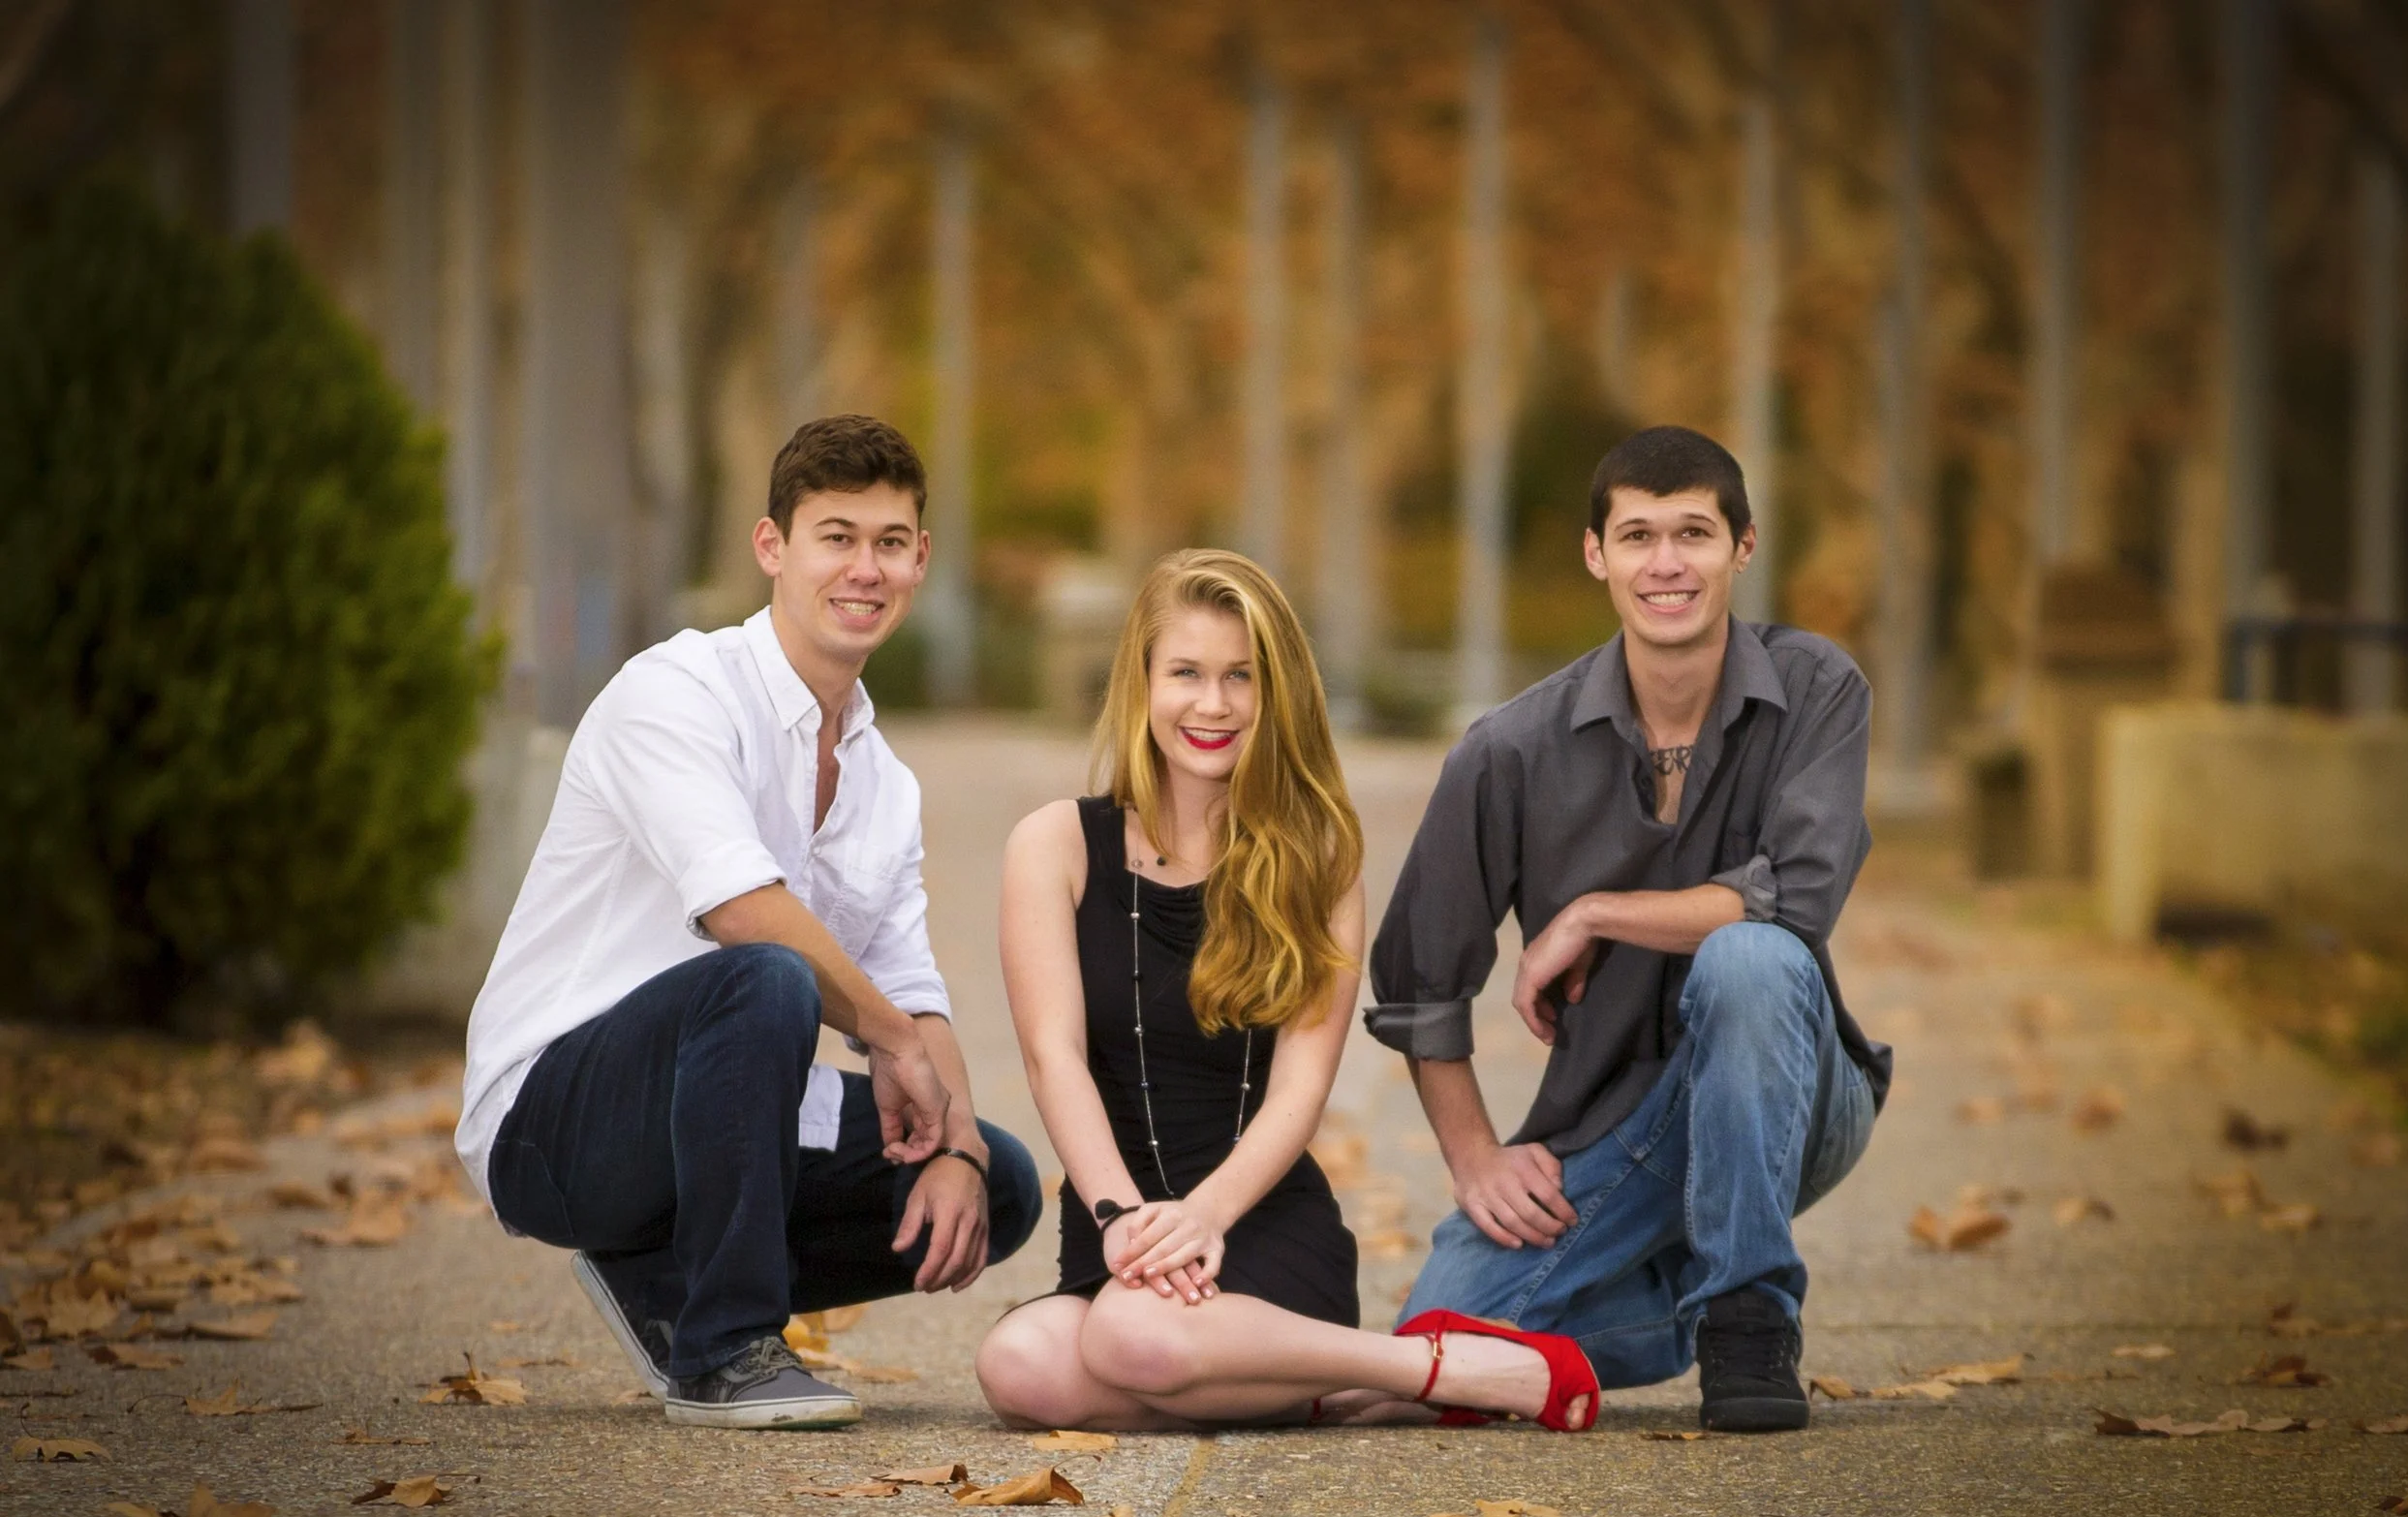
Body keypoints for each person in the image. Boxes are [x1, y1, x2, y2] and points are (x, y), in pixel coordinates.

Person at [456, 415, 1040, 1430]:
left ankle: (665, 1283)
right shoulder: (673, 693)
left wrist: (955, 1148)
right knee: (768, 973)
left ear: (920, 560)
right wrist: (894, 1045)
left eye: (890, 542)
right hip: (553, 1120)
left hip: (716, 1099)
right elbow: (741, 910)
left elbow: (909, 993)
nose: (865, 568)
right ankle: (725, 1350)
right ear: (772, 547)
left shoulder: (880, 781)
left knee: (1004, 1181)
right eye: (837, 536)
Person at [973, 549, 1598, 1434]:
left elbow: (1302, 1091)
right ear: (1142, 683)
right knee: (1018, 1364)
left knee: (1129, 1339)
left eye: (1242, 677)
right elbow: (1053, 1056)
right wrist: (1120, 1215)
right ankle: (1344, 1388)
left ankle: (1441, 1363)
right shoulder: (1054, 845)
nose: (1214, 704)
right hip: (1119, 1221)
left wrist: (1206, 1216)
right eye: (1186, 672)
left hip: (1259, 1217)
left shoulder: (1320, 860)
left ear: (1277, 693)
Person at [1365, 425, 1891, 1434]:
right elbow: (1419, 981)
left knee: (1751, 955)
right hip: (1613, 1126)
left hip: (1797, 1094)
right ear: (1594, 553)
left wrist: (1597, 912)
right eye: (1637, 534)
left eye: (1692, 532)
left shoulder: (1818, 689)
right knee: (1436, 1340)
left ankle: (1748, 1317)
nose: (1664, 564)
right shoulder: (1508, 750)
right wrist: (1476, 1155)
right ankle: (1679, 1303)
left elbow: (1799, 894)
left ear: (1742, 546)